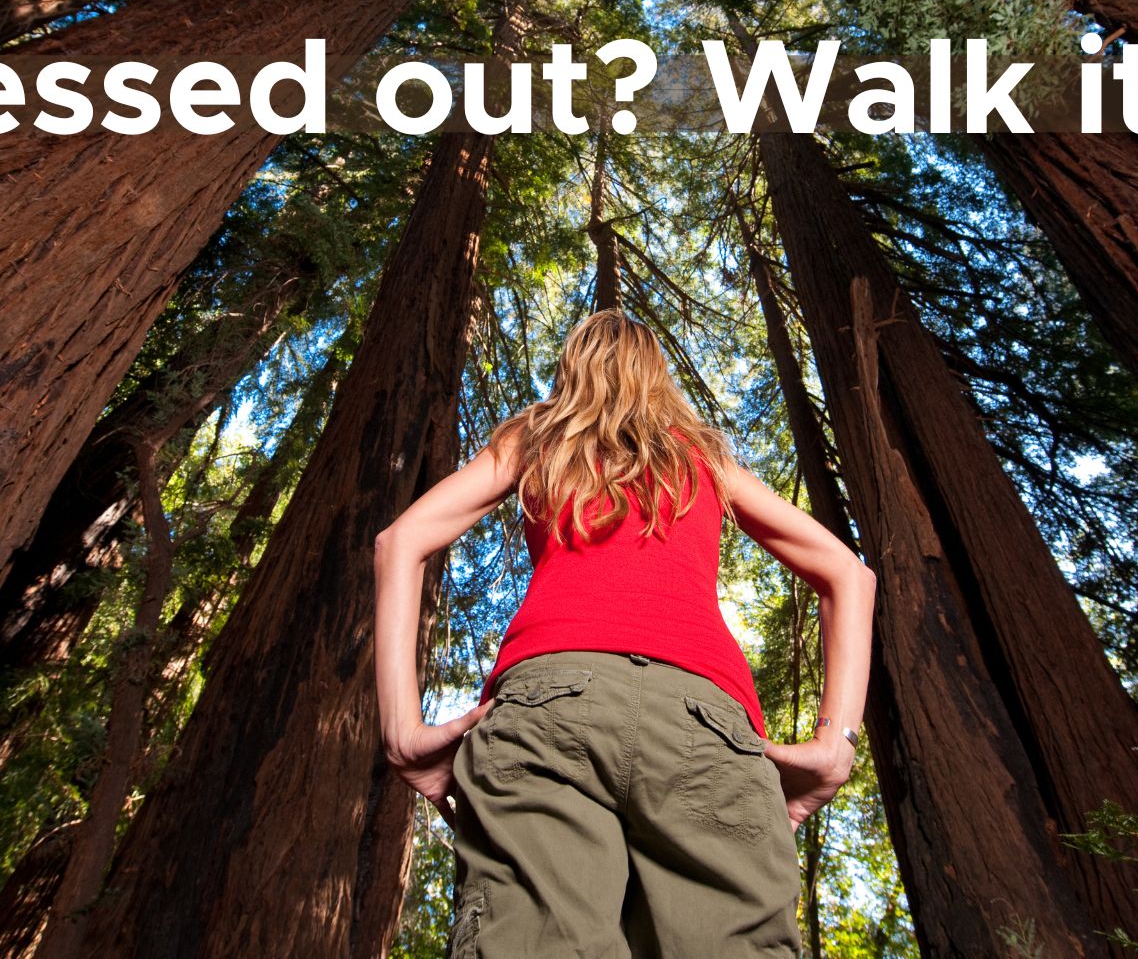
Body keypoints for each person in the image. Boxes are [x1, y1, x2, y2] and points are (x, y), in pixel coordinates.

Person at [373, 309, 875, 958]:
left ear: (571, 368)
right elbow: (848, 574)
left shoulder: (537, 435)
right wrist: (837, 742)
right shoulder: (704, 455)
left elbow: (400, 539)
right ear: (657, 374)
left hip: (546, 705)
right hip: (704, 721)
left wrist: (402, 731)